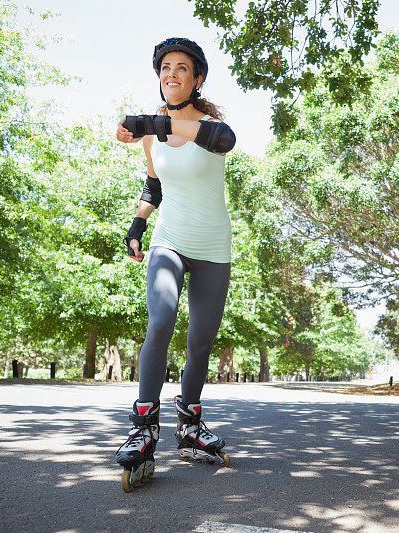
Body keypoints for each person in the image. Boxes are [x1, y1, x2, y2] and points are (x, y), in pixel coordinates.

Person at [113, 37, 235, 490]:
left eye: (182, 67)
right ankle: (144, 425)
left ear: (197, 78)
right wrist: (137, 227)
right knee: (161, 318)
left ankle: (189, 425)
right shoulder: (151, 134)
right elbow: (154, 186)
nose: (172, 73)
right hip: (169, 241)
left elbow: (224, 140)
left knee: (200, 339)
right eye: (166, 67)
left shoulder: (212, 125)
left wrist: (152, 121)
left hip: (213, 248)